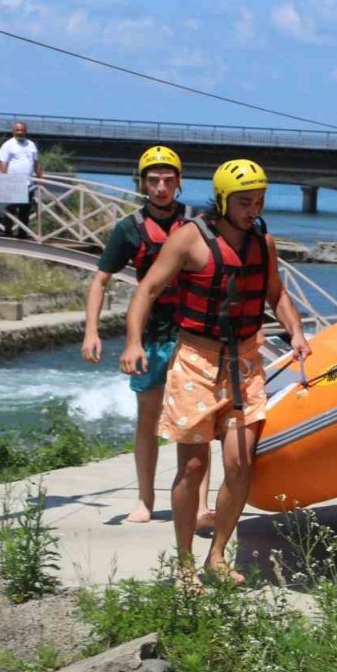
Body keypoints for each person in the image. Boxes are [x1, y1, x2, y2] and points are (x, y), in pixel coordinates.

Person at [120, 158, 311, 584]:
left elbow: (275, 294)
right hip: (196, 361)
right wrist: (133, 341)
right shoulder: (189, 240)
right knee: (191, 467)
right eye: (245, 201)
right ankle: (185, 563)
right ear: (223, 200)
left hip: (245, 361)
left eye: (259, 200)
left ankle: (218, 556)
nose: (254, 208)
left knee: (240, 463)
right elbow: (147, 289)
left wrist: (296, 331)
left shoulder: (263, 242)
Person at [82, 146, 215, 530]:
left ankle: (201, 505)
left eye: (168, 180)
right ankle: (145, 500)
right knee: (148, 417)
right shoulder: (129, 229)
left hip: (192, 333)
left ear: (179, 182)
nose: (160, 187)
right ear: (142, 183)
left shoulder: (198, 223)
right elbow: (100, 280)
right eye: (153, 180)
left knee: (195, 422)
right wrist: (92, 331)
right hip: (150, 335)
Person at [0, 121, 43, 238]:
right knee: (10, 208)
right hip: (13, 182)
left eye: (22, 130)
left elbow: (36, 162)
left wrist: (40, 177)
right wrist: (5, 179)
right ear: (13, 131)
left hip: (28, 183)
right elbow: (3, 163)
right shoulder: (8, 144)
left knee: (25, 210)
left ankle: (22, 234)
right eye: (17, 130)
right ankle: (7, 232)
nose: (20, 132)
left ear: (25, 131)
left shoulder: (31, 144)